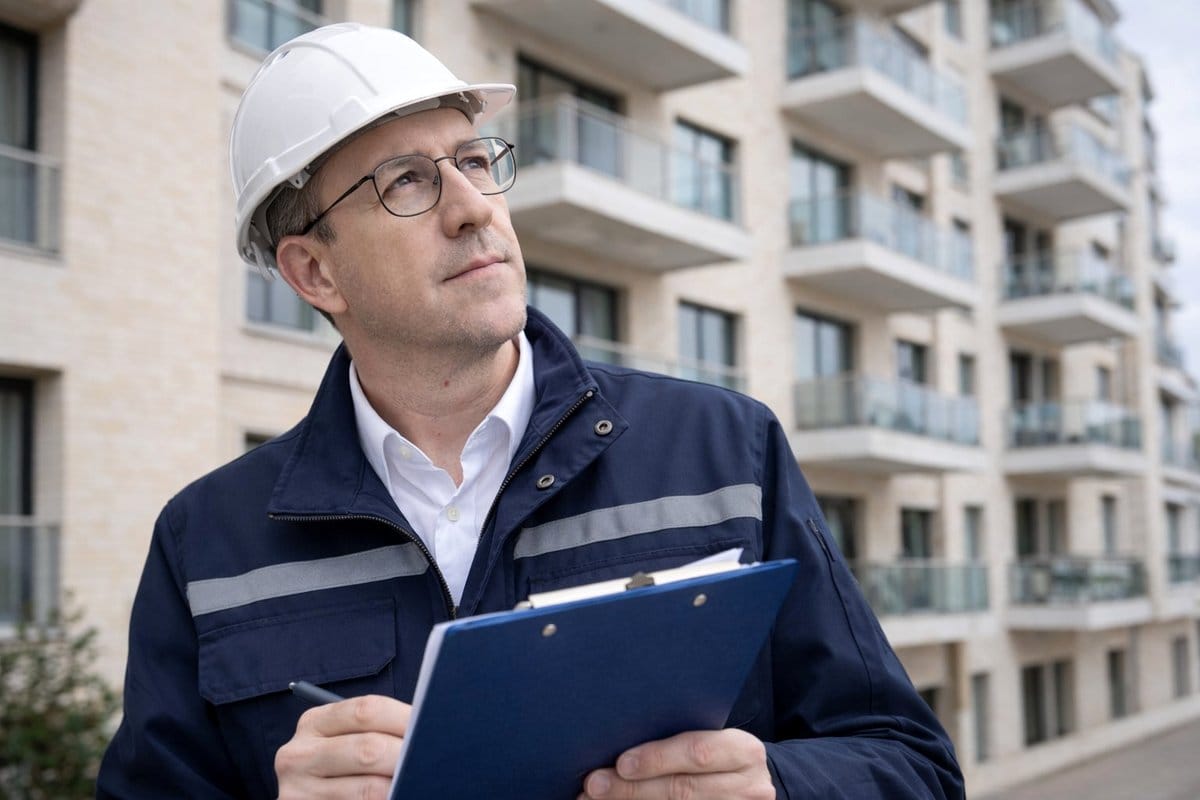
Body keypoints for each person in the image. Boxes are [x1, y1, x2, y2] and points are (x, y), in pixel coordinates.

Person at [96, 23, 964, 800]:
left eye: (474, 161)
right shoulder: (205, 545)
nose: (473, 207)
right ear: (314, 272)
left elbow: (913, 767)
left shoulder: (725, 452)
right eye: (406, 182)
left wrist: (776, 786)